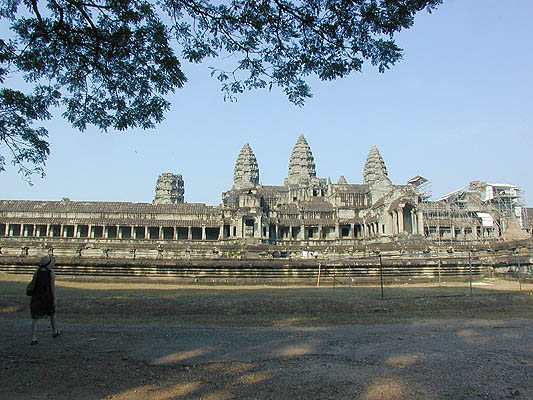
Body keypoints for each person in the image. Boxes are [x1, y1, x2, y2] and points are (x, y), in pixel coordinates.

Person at [30, 255, 62, 345]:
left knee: (35, 318)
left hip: (37, 296)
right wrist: (55, 298)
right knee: (52, 314)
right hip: (47, 296)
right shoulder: (51, 273)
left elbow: (33, 284)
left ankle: (33, 338)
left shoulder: (37, 272)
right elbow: (52, 287)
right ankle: (54, 331)